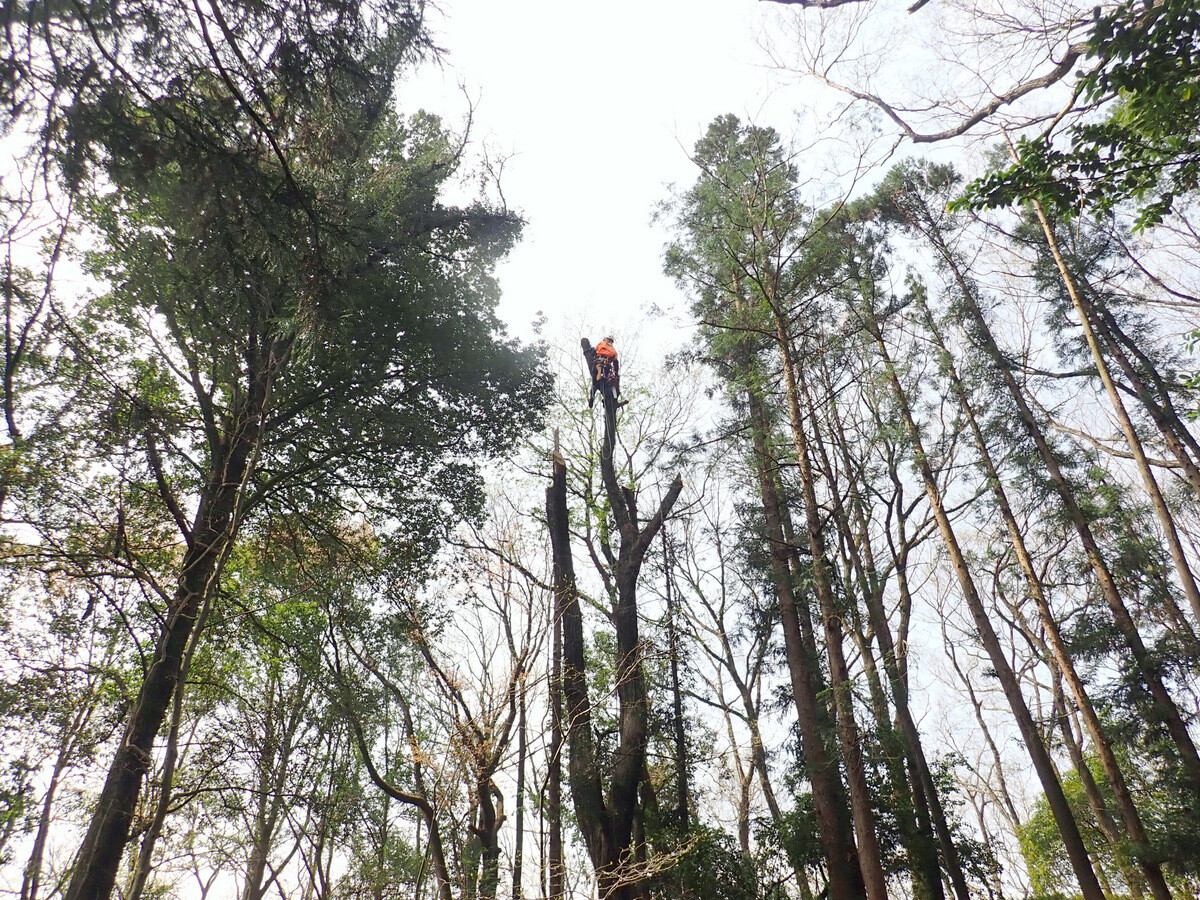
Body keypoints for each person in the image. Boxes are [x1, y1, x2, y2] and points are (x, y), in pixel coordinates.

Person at [581, 336, 620, 407]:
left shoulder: (601, 344)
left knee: (594, 383)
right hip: (606, 366)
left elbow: (595, 350)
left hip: (599, 363)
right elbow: (615, 360)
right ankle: (605, 400)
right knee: (606, 383)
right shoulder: (612, 349)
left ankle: (592, 397)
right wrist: (616, 374)